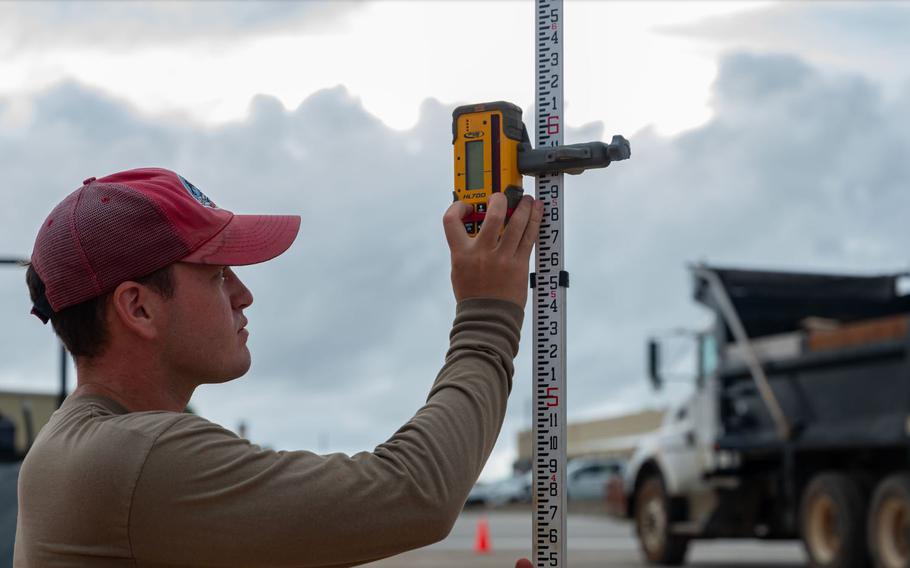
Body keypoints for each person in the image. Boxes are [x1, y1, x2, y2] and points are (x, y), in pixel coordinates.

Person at [16, 167, 542, 566]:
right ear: (138, 308)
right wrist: (487, 314)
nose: (244, 295)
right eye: (218, 274)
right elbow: (413, 492)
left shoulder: (86, 445)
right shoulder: (136, 459)